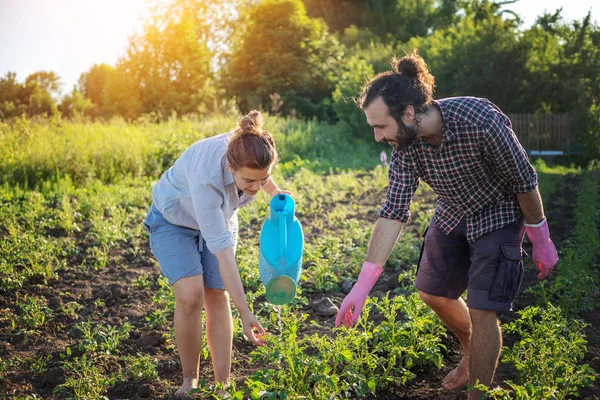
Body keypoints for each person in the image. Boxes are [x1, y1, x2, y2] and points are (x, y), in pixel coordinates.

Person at [334, 50, 558, 399]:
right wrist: (362, 286)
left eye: (380, 126)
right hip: (453, 210)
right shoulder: (405, 146)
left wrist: (539, 235)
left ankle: (477, 394)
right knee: (431, 290)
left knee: (484, 310)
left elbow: (523, 180)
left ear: (408, 113)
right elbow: (394, 211)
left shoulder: (480, 120)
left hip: (498, 213)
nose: (377, 137)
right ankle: (472, 350)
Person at [144, 110, 290, 397]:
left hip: (219, 218)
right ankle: (190, 380)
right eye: (249, 181)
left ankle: (222, 385)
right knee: (190, 295)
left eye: (263, 180)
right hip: (174, 219)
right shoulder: (207, 179)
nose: (256, 188)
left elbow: (259, 171)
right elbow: (224, 256)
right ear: (230, 167)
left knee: (216, 293)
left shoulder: (249, 146)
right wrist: (246, 313)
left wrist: (277, 193)